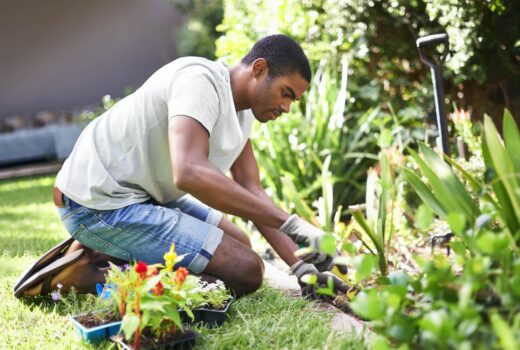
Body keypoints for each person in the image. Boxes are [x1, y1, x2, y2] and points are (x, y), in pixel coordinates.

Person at [19, 34, 348, 299]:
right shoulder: (199, 81)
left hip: (144, 195)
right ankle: (93, 273)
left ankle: (108, 252)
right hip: (98, 203)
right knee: (246, 270)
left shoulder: (243, 113)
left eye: (294, 99)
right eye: (285, 93)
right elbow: (188, 172)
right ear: (259, 69)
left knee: (240, 244)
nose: (287, 107)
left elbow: (252, 190)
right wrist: (295, 225)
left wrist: (301, 267)